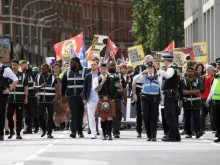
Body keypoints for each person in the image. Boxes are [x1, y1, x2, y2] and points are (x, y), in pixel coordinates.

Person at [133, 62, 162, 141]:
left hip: (155, 98)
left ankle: (154, 135)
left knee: (154, 117)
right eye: (148, 68)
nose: (149, 69)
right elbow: (134, 79)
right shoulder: (144, 77)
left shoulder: (158, 76)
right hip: (145, 98)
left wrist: (161, 98)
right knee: (146, 116)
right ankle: (149, 135)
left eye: (151, 68)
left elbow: (161, 87)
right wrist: (142, 73)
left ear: (154, 68)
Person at [61, 57, 89, 138]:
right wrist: (63, 95)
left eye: (72, 62)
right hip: (71, 96)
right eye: (70, 63)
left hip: (81, 97)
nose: (70, 64)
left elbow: (87, 84)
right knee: (74, 113)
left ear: (77, 63)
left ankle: (80, 131)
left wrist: (84, 93)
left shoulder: (85, 71)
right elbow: (64, 85)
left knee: (80, 114)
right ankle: (73, 131)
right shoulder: (67, 72)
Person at [158, 53, 181, 142]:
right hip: (173, 94)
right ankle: (176, 135)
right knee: (173, 116)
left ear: (166, 60)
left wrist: (159, 70)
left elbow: (168, 76)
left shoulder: (171, 68)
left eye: (164, 61)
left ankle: (171, 135)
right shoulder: (176, 69)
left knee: (170, 116)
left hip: (169, 95)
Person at [34, 64, 59, 139]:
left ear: (48, 69)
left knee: (50, 116)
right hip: (41, 99)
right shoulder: (38, 76)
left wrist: (55, 98)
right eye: (41, 69)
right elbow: (34, 86)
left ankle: (49, 132)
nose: (42, 70)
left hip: (50, 99)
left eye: (44, 69)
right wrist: (40, 86)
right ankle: (44, 129)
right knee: (40, 115)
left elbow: (57, 88)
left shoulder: (53, 77)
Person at [94, 63, 116, 140]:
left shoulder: (111, 77)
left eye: (105, 68)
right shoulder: (97, 79)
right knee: (103, 118)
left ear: (107, 69)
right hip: (101, 99)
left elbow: (116, 88)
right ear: (99, 69)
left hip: (110, 99)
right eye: (102, 69)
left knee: (110, 117)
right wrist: (102, 82)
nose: (103, 70)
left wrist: (118, 86)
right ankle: (104, 134)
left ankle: (109, 134)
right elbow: (96, 90)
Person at [7, 59, 28, 139]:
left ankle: (18, 133)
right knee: (9, 115)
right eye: (13, 65)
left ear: (18, 66)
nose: (14, 66)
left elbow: (25, 86)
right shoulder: (8, 75)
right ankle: (11, 130)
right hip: (10, 98)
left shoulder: (22, 75)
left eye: (15, 65)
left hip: (20, 99)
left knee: (19, 116)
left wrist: (26, 97)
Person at [180, 66, 203, 138]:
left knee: (197, 118)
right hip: (187, 102)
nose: (190, 72)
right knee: (187, 118)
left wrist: (189, 92)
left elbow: (200, 90)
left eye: (192, 71)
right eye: (189, 71)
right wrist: (194, 91)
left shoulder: (198, 80)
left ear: (194, 72)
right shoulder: (183, 81)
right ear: (186, 72)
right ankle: (189, 133)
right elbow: (183, 92)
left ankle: (197, 132)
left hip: (196, 102)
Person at [0, 55, 18, 141]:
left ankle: (0, 133)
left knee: (1, 113)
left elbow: (15, 79)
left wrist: (10, 89)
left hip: (2, 93)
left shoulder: (5, 69)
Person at [108, 60, 127, 138]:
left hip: (117, 98)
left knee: (117, 115)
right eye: (111, 65)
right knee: (107, 115)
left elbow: (124, 88)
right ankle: (107, 131)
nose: (112, 67)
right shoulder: (105, 75)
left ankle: (116, 131)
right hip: (107, 99)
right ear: (108, 66)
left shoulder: (120, 76)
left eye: (113, 65)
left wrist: (125, 99)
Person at [19, 60, 39, 134]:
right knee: (26, 113)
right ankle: (29, 128)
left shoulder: (33, 72)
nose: (21, 67)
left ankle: (37, 125)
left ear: (25, 64)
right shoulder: (21, 74)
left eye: (22, 65)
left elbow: (37, 82)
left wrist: (37, 92)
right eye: (20, 65)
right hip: (25, 95)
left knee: (33, 112)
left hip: (33, 94)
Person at [83, 60, 101, 139]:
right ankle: (93, 133)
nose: (93, 65)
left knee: (101, 116)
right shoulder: (88, 76)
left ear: (97, 65)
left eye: (94, 64)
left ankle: (101, 131)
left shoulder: (100, 75)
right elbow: (85, 88)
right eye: (92, 64)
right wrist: (84, 98)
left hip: (100, 98)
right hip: (90, 99)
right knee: (91, 117)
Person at [200, 65, 217, 133]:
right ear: (210, 70)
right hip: (208, 98)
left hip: (202, 97)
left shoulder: (203, 77)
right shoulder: (210, 77)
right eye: (213, 70)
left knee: (202, 114)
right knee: (212, 114)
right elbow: (213, 88)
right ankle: (214, 128)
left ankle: (201, 128)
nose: (214, 72)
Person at [206, 71, 220, 142]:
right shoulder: (216, 75)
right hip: (215, 101)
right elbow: (212, 89)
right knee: (215, 119)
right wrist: (208, 99)